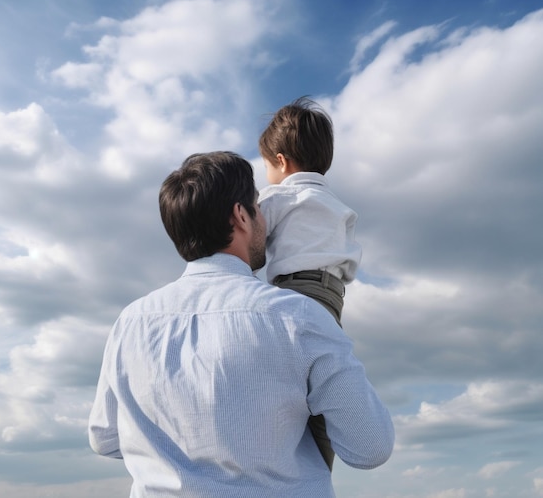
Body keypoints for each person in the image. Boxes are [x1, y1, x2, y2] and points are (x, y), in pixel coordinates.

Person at [89, 151, 393, 497]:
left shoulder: (130, 323)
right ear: (241, 216)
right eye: (258, 206)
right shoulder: (300, 317)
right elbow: (370, 448)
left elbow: (105, 439)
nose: (264, 217)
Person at [258, 97, 362, 468]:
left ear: (281, 162)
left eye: (267, 165)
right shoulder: (336, 203)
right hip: (333, 296)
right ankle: (318, 467)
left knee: (281, 379)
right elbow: (349, 258)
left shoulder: (278, 196)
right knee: (321, 379)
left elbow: (253, 242)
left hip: (294, 291)